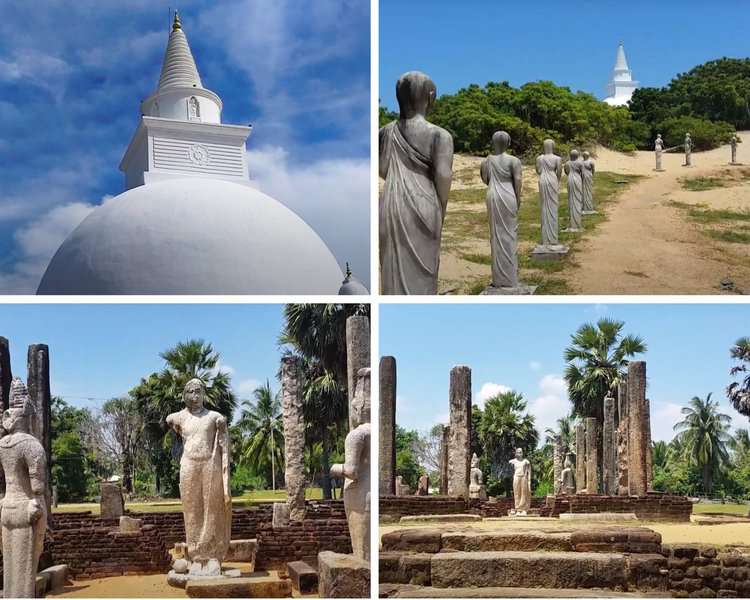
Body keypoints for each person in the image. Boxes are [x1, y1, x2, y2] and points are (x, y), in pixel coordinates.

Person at [379, 71, 453, 294]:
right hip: (424, 203)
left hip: (391, 203)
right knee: (423, 275)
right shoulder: (440, 136)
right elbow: (443, 176)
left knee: (391, 271)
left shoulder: (384, 133)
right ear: (430, 96)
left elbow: (383, 169)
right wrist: (441, 208)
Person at [167, 378, 231, 576]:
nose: (194, 396)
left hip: (210, 464)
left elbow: (225, 447)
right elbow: (169, 419)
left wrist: (226, 484)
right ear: (184, 395)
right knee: (192, 511)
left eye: (198, 392)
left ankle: (212, 557)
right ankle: (196, 556)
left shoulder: (214, 417)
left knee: (212, 510)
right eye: (190, 392)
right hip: (189, 465)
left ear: (204, 394)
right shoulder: (179, 417)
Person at [481, 131, 523, 289]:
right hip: (508, 194)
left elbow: (485, 178)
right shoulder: (514, 160)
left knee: (495, 234)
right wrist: (518, 197)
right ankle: (509, 276)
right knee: (509, 233)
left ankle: (500, 277)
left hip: (492, 194)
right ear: (508, 143)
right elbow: (517, 180)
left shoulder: (487, 161)